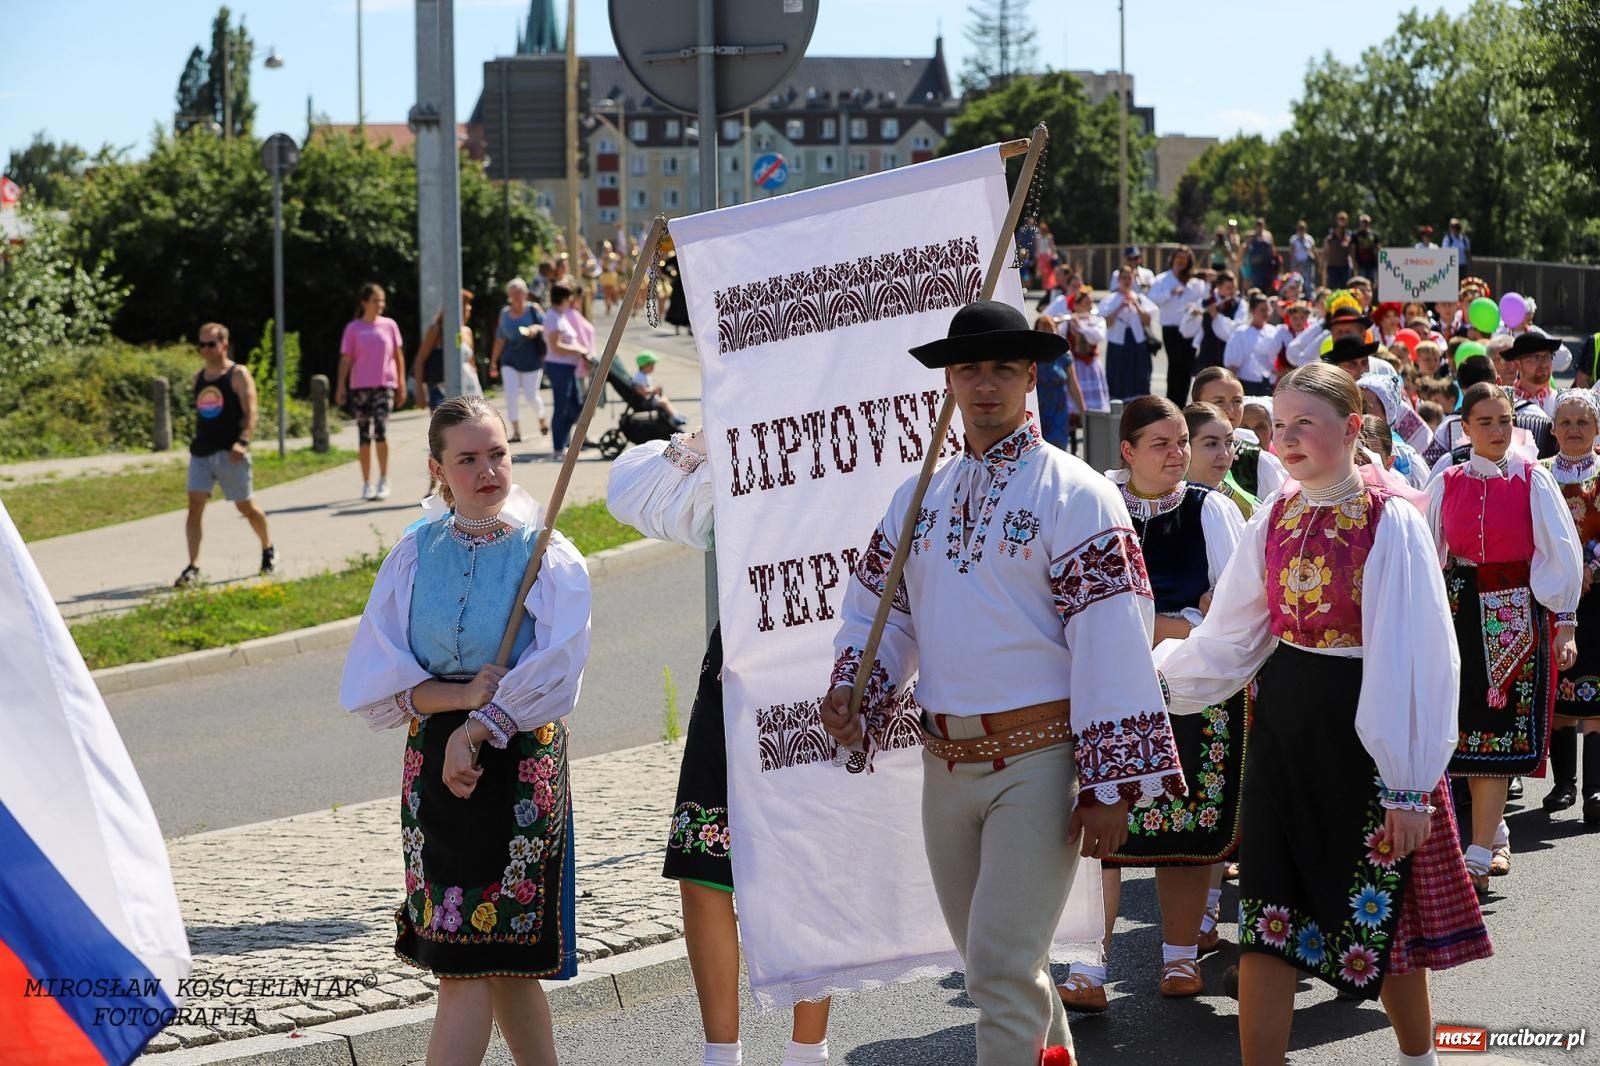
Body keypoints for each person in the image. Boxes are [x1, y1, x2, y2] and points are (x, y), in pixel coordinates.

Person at [821, 300, 1186, 1066]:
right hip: (943, 763)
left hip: (1041, 761)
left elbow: (1113, 637)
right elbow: (882, 616)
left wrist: (1111, 783)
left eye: (999, 369)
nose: (983, 385)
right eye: (967, 369)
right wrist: (857, 686)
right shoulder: (918, 495)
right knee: (1007, 971)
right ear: (949, 381)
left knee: (998, 968)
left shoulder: (1077, 492)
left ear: (1029, 376)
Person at [1157, 362, 1492, 1066]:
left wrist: (1408, 785)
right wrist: (1153, 685)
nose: (1288, 438)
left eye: (1306, 423)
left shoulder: (1389, 520)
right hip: (1284, 728)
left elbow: (1418, 656)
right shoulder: (1273, 514)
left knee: (1385, 911)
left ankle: (1416, 1058)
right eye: (1279, 425)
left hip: (1368, 732)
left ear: (1350, 429)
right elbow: (1234, 636)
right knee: (1268, 916)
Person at [338, 395, 590, 1066]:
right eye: (468, 459)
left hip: (515, 760)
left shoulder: (547, 555)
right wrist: (456, 698)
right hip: (433, 769)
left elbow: (558, 671)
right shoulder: (414, 555)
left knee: (491, 962)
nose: (488, 471)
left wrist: (479, 725)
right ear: (438, 469)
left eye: (499, 454)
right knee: (468, 961)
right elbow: (378, 677)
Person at [608, 431, 833, 1066]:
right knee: (704, 863)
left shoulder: (850, 431)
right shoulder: (743, 442)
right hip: (738, 669)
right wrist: (705, 436)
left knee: (811, 858)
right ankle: (720, 1055)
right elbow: (632, 495)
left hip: (830, 666)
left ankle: (806, 1051)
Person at [1060, 398, 1247, 1011]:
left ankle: (1180, 958)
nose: (1178, 454)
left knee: (1186, 828)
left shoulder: (1210, 510)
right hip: (1109, 688)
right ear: (1128, 451)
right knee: (1099, 831)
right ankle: (1088, 966)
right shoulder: (1095, 509)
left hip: (1195, 692)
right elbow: (1080, 606)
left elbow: (1230, 614)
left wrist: (1159, 626)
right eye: (1162, 444)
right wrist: (1173, 620)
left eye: (1182, 443)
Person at [1426, 382, 1582, 896]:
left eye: (1504, 420)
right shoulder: (1446, 480)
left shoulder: (1533, 480)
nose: (1497, 430)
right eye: (1486, 422)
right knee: (1463, 726)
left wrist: (1564, 621)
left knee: (1495, 728)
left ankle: (1479, 850)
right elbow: (1429, 554)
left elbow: (1560, 551)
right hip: (1458, 607)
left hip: (1515, 607)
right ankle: (1487, 835)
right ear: (1464, 428)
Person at [174, 322, 276, 588]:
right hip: (202, 452)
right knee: (194, 505)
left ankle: (268, 548)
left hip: (231, 454)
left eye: (211, 343)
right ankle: (193, 566)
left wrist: (243, 441)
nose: (206, 349)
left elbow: (251, 411)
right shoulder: (198, 379)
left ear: (224, 345)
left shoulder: (237, 374)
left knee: (246, 506)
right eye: (202, 344)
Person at [1541, 389, 1600, 827]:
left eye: (1583, 422)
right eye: (1566, 422)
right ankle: (1564, 785)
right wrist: (1561, 573)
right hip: (1551, 596)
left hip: (1598, 595)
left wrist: (1591, 566)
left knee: (1597, 690)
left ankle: (1596, 787)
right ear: (1553, 429)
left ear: (1597, 429)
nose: (1574, 430)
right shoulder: (1540, 475)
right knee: (1559, 684)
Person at [336, 282, 408, 500]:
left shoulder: (389, 326)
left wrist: (401, 384)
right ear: (364, 302)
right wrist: (340, 385)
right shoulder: (353, 328)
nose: (380, 305)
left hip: (384, 385)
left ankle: (384, 479)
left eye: (382, 300)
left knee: (381, 431)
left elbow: (398, 356)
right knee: (364, 435)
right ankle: (367, 482)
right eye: (376, 300)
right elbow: (346, 360)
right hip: (360, 386)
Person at [1192, 366, 1287, 500]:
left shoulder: (1257, 460)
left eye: (1237, 401)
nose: (1230, 409)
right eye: (1219, 401)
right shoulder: (1178, 454)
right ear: (1197, 404)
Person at [489, 278, 549, 443]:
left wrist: (536, 328)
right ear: (509, 295)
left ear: (525, 294)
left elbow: (549, 327)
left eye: (519, 292)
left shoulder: (533, 310)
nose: (516, 296)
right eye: (513, 293)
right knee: (511, 394)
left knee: (531, 395)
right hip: (510, 360)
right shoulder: (505, 314)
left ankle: (541, 417)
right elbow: (500, 339)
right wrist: (493, 361)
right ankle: (516, 431)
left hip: (532, 360)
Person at [544, 284, 594, 462]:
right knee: (561, 407)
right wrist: (578, 351)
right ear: (564, 298)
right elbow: (555, 346)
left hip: (568, 367)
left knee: (576, 404)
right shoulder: (553, 317)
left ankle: (564, 440)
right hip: (559, 367)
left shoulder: (560, 315)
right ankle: (558, 446)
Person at [1151, 247, 1207, 404]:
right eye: (1179, 258)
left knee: (1187, 367)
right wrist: (1170, 292)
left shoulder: (1194, 281)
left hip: (1190, 328)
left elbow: (1202, 299)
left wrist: (1196, 308)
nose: (1181, 262)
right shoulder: (1163, 279)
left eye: (1185, 259)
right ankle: (1172, 401)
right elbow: (1153, 298)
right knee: (1175, 364)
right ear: (1173, 259)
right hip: (1171, 328)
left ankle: (1182, 402)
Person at [1187, 401, 1259, 518]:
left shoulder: (1247, 508)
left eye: (1229, 442)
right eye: (1212, 444)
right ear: (1187, 446)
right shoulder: (1161, 503)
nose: (1224, 454)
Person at [1099, 267, 1160, 400]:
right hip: (1117, 343)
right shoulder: (1110, 299)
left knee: (1139, 376)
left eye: (1129, 278)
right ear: (1118, 280)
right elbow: (1106, 323)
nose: (1126, 281)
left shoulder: (1140, 298)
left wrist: (1136, 305)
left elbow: (1147, 321)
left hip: (1137, 342)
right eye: (1123, 278)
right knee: (1117, 375)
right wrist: (1120, 306)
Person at [416, 290, 480, 414]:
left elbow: (472, 363)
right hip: (440, 389)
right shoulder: (436, 330)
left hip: (468, 387)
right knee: (447, 428)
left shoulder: (466, 331)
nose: (469, 308)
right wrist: (420, 390)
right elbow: (420, 360)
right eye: (466, 304)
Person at [1061, 290, 1107, 435]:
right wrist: (1068, 322)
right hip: (1075, 366)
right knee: (1073, 407)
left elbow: (1096, 337)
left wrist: (1081, 327)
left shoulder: (1096, 320)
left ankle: (1093, 433)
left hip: (1091, 366)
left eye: (1090, 303)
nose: (1089, 306)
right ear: (1077, 305)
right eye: (1086, 303)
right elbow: (1060, 336)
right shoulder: (1068, 322)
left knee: (1094, 407)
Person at [1223, 293, 1283, 396]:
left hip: (1270, 384)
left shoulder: (1274, 331)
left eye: (1267, 309)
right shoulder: (1241, 333)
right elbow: (1232, 365)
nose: (1266, 313)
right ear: (1252, 311)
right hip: (1247, 384)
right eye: (1262, 310)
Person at [1195, 271, 1245, 373]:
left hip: (1227, 355)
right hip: (1207, 353)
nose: (1232, 291)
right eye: (1228, 288)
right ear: (1219, 286)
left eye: (1234, 287)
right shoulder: (1207, 300)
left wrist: (1217, 317)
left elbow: (1235, 330)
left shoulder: (1240, 304)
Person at [632, 351, 685, 427]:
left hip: (649, 399)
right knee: (663, 402)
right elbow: (642, 391)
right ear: (645, 366)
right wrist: (654, 390)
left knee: (664, 399)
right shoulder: (640, 377)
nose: (654, 367)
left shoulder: (644, 375)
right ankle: (675, 418)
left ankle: (676, 414)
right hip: (646, 402)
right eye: (652, 365)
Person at [1245, 218, 1278, 296]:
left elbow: (1273, 248)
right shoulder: (1251, 236)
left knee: (1267, 283)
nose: (1259, 227)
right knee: (1256, 284)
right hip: (1256, 264)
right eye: (1257, 225)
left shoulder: (1268, 235)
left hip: (1266, 264)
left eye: (1261, 225)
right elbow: (1246, 247)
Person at [1323, 212, 1353, 289]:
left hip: (1344, 267)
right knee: (1332, 288)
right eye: (1340, 219)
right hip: (1332, 266)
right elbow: (1325, 252)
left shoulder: (1349, 235)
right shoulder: (1330, 236)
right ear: (1337, 220)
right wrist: (1323, 265)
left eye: (1344, 219)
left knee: (1345, 288)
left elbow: (1351, 252)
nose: (1342, 221)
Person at [1352, 213, 1381, 284]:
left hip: (1372, 263)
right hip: (1360, 264)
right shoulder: (1355, 235)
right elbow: (1353, 249)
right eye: (1363, 222)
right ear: (1360, 223)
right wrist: (1354, 262)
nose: (1365, 224)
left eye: (1367, 222)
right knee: (1361, 282)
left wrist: (1379, 262)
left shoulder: (1374, 235)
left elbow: (1378, 248)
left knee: (1372, 282)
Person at [1288, 220, 1318, 287]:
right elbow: (1291, 253)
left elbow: (1314, 251)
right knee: (1296, 281)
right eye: (1300, 228)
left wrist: (1315, 260)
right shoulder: (1293, 239)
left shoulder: (1309, 239)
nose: (1301, 230)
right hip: (1297, 264)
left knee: (1308, 282)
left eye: (1303, 228)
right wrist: (1294, 265)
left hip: (1307, 265)